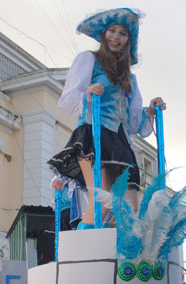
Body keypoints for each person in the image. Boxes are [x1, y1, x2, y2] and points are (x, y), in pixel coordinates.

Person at [48, 8, 165, 230]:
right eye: (112, 30)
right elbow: (68, 99)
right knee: (100, 204)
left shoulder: (130, 78)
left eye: (123, 33)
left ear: (129, 40)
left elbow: (133, 122)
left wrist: (149, 111)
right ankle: (82, 256)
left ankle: (117, 258)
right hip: (94, 135)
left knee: (130, 211)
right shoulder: (88, 59)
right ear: (104, 34)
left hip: (121, 144)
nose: (116, 37)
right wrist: (88, 95)